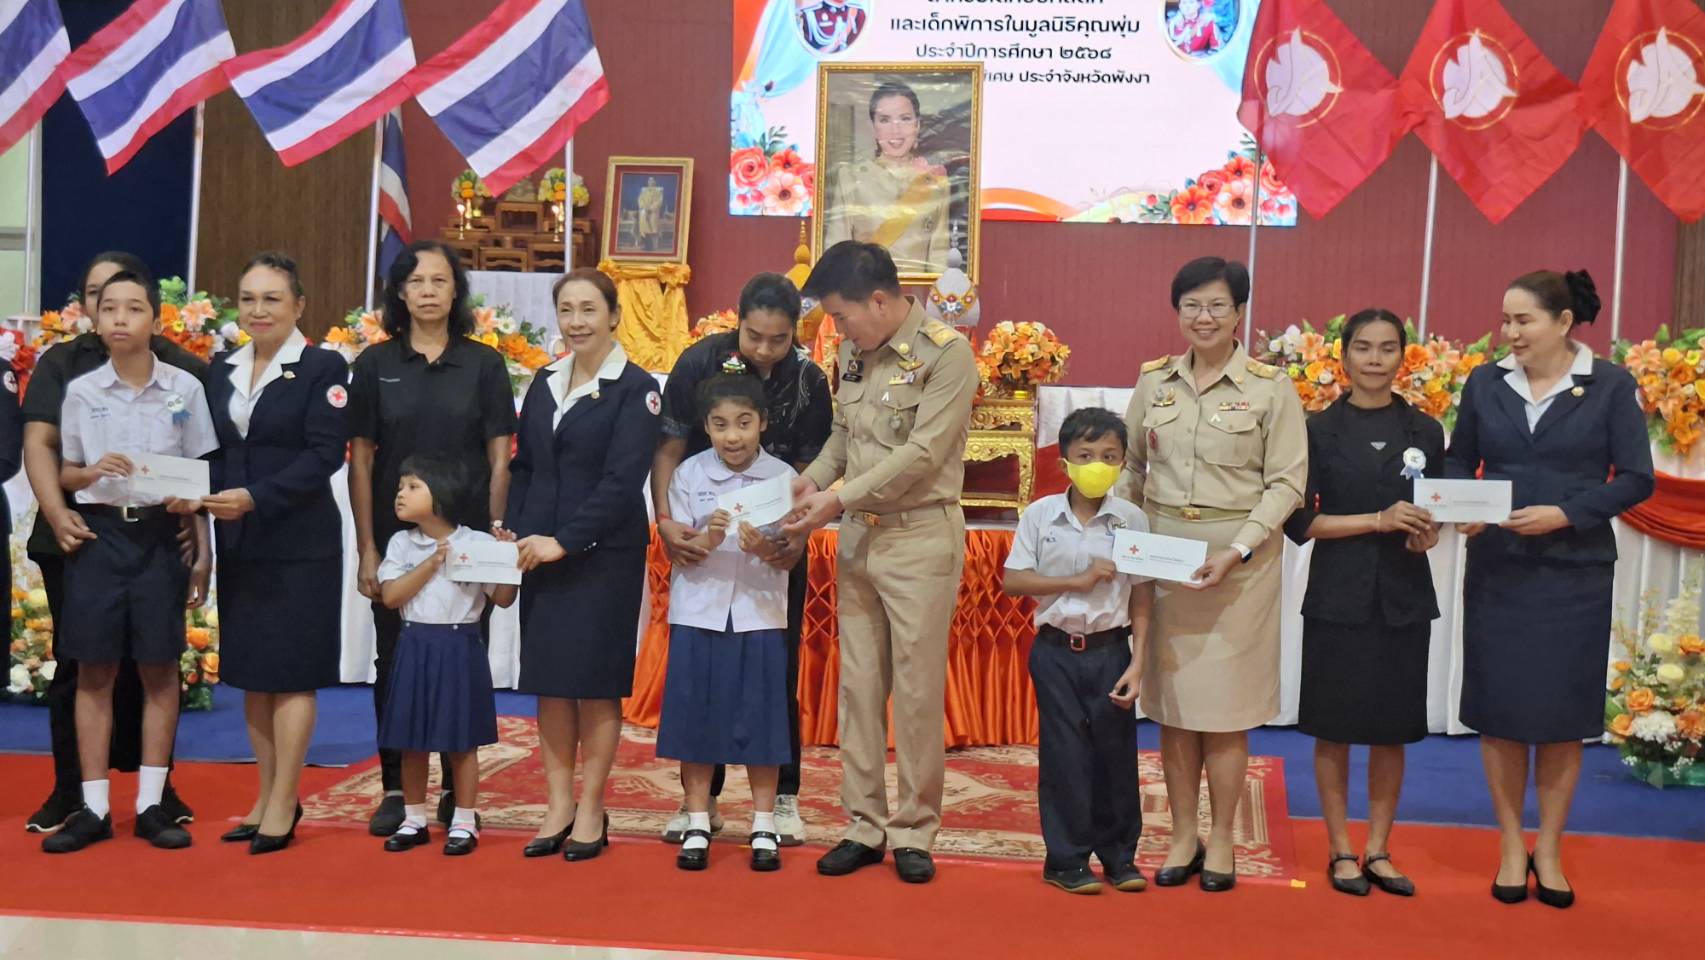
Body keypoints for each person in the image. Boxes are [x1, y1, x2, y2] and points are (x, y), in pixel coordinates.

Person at [1447, 270, 1653, 909]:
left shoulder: (1610, 384)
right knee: (1501, 713)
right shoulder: (1485, 381)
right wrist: (1463, 503)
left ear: (1563, 322)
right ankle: (1512, 845)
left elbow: (1636, 477)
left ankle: (1551, 848)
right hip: (1499, 568)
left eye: (1523, 321)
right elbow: (1460, 458)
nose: (1509, 333)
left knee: (1562, 718)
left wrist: (1566, 514)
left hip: (1574, 572)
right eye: (1505, 320)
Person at [784, 240, 978, 884]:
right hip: (859, 539)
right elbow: (844, 436)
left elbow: (922, 454)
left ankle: (915, 829)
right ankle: (863, 825)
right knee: (859, 688)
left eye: (841, 316)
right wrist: (812, 480)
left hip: (919, 536)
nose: (838, 330)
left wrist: (837, 498)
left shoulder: (947, 354)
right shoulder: (853, 354)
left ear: (877, 300)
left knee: (917, 692)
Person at [1115, 256, 1306, 892]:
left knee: (1224, 712)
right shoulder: (1154, 382)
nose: (1205, 317)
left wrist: (1240, 550)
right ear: (1178, 312)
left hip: (1238, 569)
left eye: (1218, 305)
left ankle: (1221, 836)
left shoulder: (1270, 388)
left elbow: (1287, 484)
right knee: (1173, 709)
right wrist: (1123, 531)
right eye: (1192, 305)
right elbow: (1132, 467)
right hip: (1166, 563)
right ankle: (1182, 835)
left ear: (1239, 313)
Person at [22, 251, 202, 835]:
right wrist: (72, 495)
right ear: (90, 312)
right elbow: (52, 457)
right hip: (90, 536)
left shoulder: (182, 380)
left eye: (132, 305)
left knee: (157, 666)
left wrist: (199, 534)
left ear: (154, 314)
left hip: (158, 537)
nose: (119, 315)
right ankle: (84, 800)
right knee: (87, 668)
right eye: (105, 303)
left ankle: (154, 798)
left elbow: (199, 467)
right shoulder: (72, 378)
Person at [652, 272, 833, 846]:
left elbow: (814, 471)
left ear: (796, 332)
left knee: (773, 674)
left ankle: (781, 800)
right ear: (738, 321)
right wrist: (666, 521)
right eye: (754, 336)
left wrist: (797, 535)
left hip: (777, 537)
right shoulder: (698, 362)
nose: (764, 349)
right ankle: (699, 803)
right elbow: (669, 446)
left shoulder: (808, 379)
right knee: (699, 683)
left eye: (778, 339)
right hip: (701, 542)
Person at [348, 240, 516, 836]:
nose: (427, 291)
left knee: (460, 657)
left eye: (439, 280)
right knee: (394, 659)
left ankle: (454, 792)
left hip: (467, 539)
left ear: (455, 291)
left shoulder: (483, 365)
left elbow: (500, 459)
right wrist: (368, 547)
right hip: (398, 539)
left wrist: (492, 541)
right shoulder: (375, 364)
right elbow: (361, 460)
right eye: (416, 281)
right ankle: (398, 789)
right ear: (399, 291)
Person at [1282, 309, 1444, 898]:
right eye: (1363, 347)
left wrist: (1427, 534)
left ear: (1404, 357)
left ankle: (1378, 848)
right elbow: (1300, 522)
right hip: (1337, 596)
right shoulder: (1316, 429)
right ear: (1344, 355)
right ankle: (1340, 850)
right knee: (1334, 730)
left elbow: (1436, 512)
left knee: (1390, 730)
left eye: (1387, 348)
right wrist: (1376, 520)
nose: (1375, 359)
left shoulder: (1426, 431)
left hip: (1403, 597)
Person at [506, 268, 661, 861]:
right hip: (541, 553)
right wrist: (514, 532)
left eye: (589, 310)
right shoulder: (544, 381)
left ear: (614, 316)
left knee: (595, 686)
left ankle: (592, 807)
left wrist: (564, 542)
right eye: (567, 310)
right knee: (550, 684)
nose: (576, 322)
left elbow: (622, 483)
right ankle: (558, 805)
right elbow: (526, 468)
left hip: (602, 559)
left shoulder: (637, 389)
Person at [204, 253, 348, 855]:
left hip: (299, 544)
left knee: (290, 675)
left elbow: (325, 455)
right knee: (253, 675)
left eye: (271, 298)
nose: (258, 310)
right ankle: (264, 797)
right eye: (248, 299)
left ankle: (286, 800)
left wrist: (256, 498)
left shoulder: (322, 367)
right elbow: (211, 452)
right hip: (240, 541)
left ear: (298, 305)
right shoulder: (221, 369)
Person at [1002, 407, 1153, 896]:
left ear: (1123, 461)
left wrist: (1139, 662)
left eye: (1109, 456)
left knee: (1115, 755)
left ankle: (1119, 857)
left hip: (1111, 651)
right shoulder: (1041, 514)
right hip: (1055, 651)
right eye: (1085, 455)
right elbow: (1013, 581)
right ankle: (1066, 860)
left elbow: (1143, 593)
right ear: (1065, 459)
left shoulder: (1131, 518)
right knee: (1065, 755)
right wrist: (1076, 579)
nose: (1097, 465)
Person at [658, 375, 800, 873]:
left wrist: (765, 547)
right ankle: (698, 819)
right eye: (720, 425)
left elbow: (790, 550)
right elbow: (682, 549)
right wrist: (710, 539)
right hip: (699, 610)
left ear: (762, 423)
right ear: (706, 427)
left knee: (761, 718)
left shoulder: (783, 478)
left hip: (760, 613)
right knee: (696, 716)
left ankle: (763, 822)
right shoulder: (689, 474)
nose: (732, 436)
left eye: (743, 423)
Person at [375, 456, 517, 856]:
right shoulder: (401, 543)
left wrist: (507, 560)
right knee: (411, 740)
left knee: (462, 741)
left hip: (459, 645)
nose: (401, 494)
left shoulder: (477, 543)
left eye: (412, 486)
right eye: (400, 487)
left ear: (442, 494)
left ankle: (464, 820)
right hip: (414, 643)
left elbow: (503, 599)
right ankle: (413, 819)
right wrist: (433, 561)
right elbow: (391, 595)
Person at [822, 80, 952, 276]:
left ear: (917, 125)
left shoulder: (935, 182)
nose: (895, 130)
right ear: (873, 127)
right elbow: (836, 251)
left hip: (915, 291)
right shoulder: (850, 178)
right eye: (885, 120)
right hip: (862, 290)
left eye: (905, 119)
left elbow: (939, 255)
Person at [635, 177, 665, 252]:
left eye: (652, 181)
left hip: (653, 213)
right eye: (649, 181)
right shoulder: (644, 192)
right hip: (644, 212)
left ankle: (653, 246)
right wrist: (644, 207)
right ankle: (646, 246)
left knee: (652, 229)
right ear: (648, 182)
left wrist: (650, 208)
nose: (650, 182)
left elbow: (659, 202)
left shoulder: (658, 192)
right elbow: (640, 200)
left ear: (655, 182)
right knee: (645, 229)